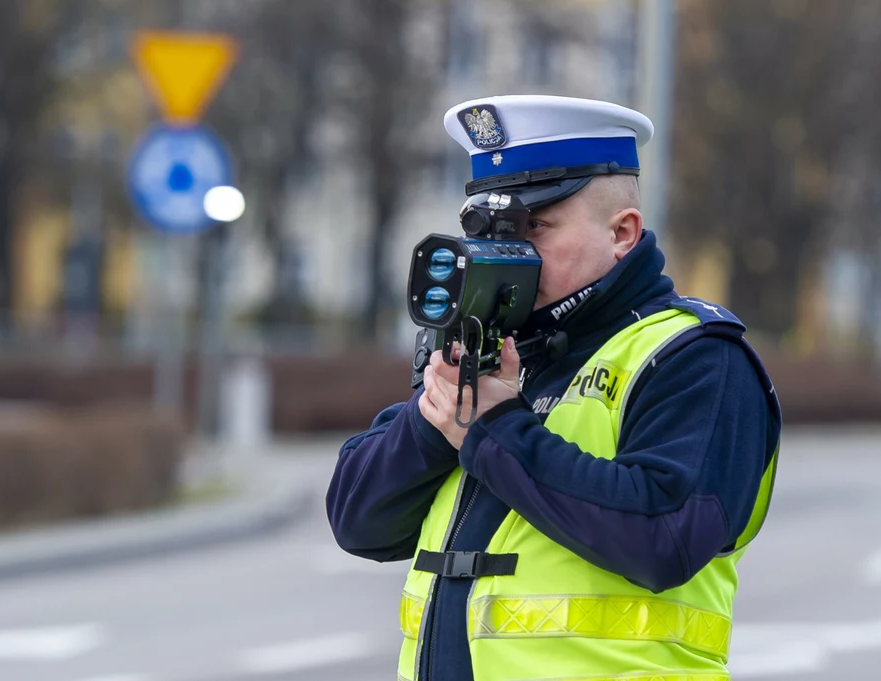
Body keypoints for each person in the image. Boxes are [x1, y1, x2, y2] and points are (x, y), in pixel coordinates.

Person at [326, 95, 781, 681]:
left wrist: (493, 430)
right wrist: (434, 423)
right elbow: (358, 522)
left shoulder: (694, 357)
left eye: (534, 227)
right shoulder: (498, 349)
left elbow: (663, 537)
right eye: (491, 229)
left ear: (622, 233)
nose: (506, 253)